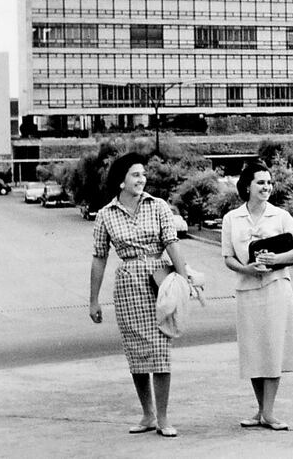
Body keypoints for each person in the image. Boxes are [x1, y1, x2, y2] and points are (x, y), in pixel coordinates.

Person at [89, 152, 191, 438]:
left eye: (143, 174)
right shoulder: (105, 215)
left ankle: (163, 418)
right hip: (127, 286)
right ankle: (147, 414)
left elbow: (172, 243)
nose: (141, 179)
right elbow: (99, 258)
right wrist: (93, 299)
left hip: (159, 282)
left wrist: (183, 279)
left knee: (160, 351)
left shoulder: (158, 206)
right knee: (136, 353)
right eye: (135, 174)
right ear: (120, 181)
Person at [221, 161, 293, 431]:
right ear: (246, 186)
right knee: (253, 350)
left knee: (272, 348)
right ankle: (261, 410)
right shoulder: (231, 218)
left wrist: (277, 258)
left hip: (275, 288)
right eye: (260, 182)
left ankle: (269, 412)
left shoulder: (280, 216)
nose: (266, 187)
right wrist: (246, 268)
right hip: (247, 289)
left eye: (269, 183)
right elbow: (227, 257)